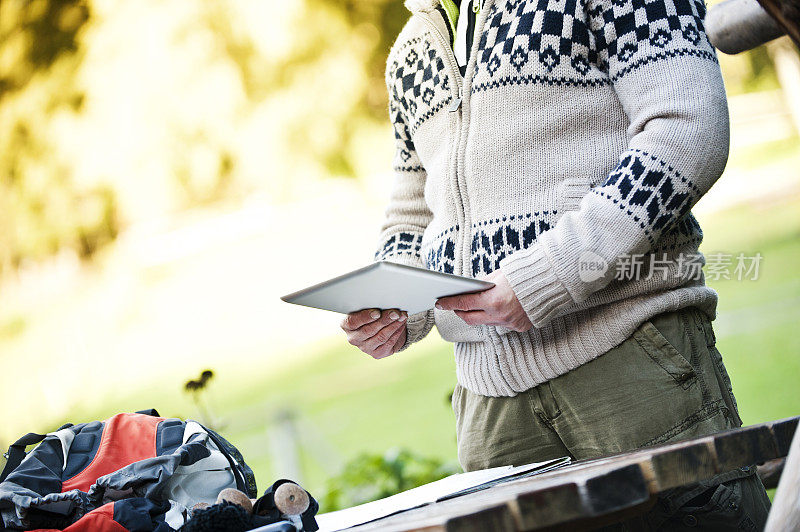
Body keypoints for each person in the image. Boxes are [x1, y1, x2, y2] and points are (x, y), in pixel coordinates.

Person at [340, 0, 771, 528]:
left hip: (629, 358)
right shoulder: (410, 48)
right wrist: (398, 301)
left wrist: (553, 274)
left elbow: (688, 130)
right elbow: (414, 206)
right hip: (490, 404)